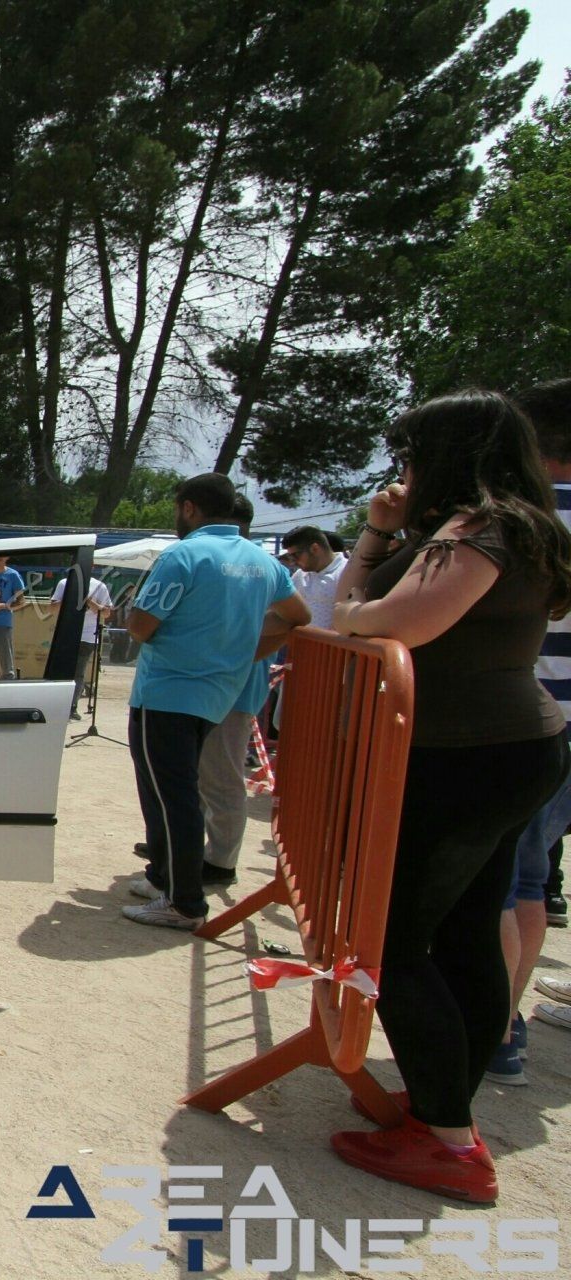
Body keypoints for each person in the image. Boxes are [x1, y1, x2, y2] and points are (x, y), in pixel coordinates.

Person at [327, 389, 571, 1204]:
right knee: (465, 935)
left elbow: (393, 622)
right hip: (501, 751)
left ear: (451, 451)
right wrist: (379, 536)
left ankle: (449, 1142)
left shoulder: (481, 528)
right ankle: (443, 1112)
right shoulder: (517, 526)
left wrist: (365, 598)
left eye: (412, 452)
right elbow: (356, 611)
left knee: (393, 944)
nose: (403, 468)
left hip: (466, 758)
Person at [121, 473, 306, 930]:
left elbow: (140, 626)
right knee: (180, 793)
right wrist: (247, 651)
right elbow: (298, 619)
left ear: (189, 508)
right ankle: (165, 879)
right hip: (218, 694)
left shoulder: (184, 554)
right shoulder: (263, 562)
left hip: (167, 692)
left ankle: (183, 901)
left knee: (170, 797)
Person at [490, 378, 571, 1084]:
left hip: (516, 727)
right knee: (531, 884)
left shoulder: (526, 521)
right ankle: (506, 1027)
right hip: (562, 731)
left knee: (496, 885)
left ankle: (491, 1027)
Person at [189, 493, 277, 885]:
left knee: (221, 778)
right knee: (199, 776)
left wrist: (243, 655)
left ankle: (220, 862)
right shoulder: (252, 565)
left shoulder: (253, 567)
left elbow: (292, 620)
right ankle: (195, 847)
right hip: (210, 687)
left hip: (230, 690)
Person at [50, 568, 114, 719]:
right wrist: (70, 597)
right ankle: (58, 705)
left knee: (78, 672)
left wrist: (88, 600)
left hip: (87, 636)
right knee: (61, 671)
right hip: (66, 633)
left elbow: (106, 613)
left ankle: (72, 706)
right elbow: (52, 609)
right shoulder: (64, 583)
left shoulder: (99, 586)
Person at [282, 525, 348, 630]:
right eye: (290, 556)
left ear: (314, 549)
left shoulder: (346, 572)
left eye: (296, 555)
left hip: (333, 645)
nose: (293, 561)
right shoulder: (300, 575)